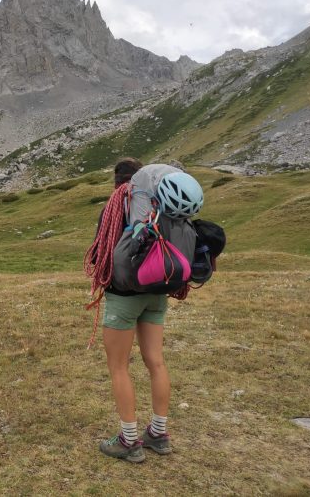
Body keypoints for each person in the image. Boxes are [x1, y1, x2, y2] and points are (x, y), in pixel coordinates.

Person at [91, 163, 203, 463]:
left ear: (118, 183)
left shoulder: (120, 204)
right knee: (155, 361)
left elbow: (103, 248)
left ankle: (128, 440)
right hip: (157, 292)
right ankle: (159, 433)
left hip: (125, 295)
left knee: (119, 366)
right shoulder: (163, 208)